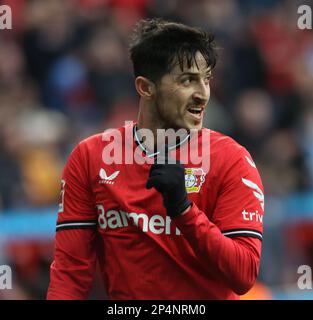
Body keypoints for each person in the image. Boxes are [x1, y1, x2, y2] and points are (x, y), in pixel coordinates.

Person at [47, 18, 265, 300]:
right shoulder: (90, 158)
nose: (203, 94)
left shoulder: (231, 160)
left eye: (206, 79)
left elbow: (243, 274)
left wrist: (183, 210)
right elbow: (69, 274)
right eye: (188, 80)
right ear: (145, 87)